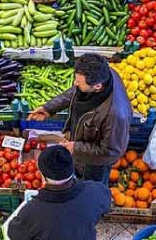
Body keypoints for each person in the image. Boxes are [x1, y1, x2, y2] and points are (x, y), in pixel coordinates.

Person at [28, 53, 132, 185]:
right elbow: (76, 91)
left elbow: (111, 152)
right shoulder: (104, 73)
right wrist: (49, 108)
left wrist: (76, 147)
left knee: (91, 186)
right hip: (83, 143)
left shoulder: (115, 115)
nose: (75, 84)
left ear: (97, 86)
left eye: (79, 82)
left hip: (95, 162)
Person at [7, 145, 111, 240]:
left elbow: (13, 234)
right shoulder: (97, 191)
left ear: (42, 175)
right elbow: (105, 206)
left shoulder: (30, 213)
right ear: (72, 169)